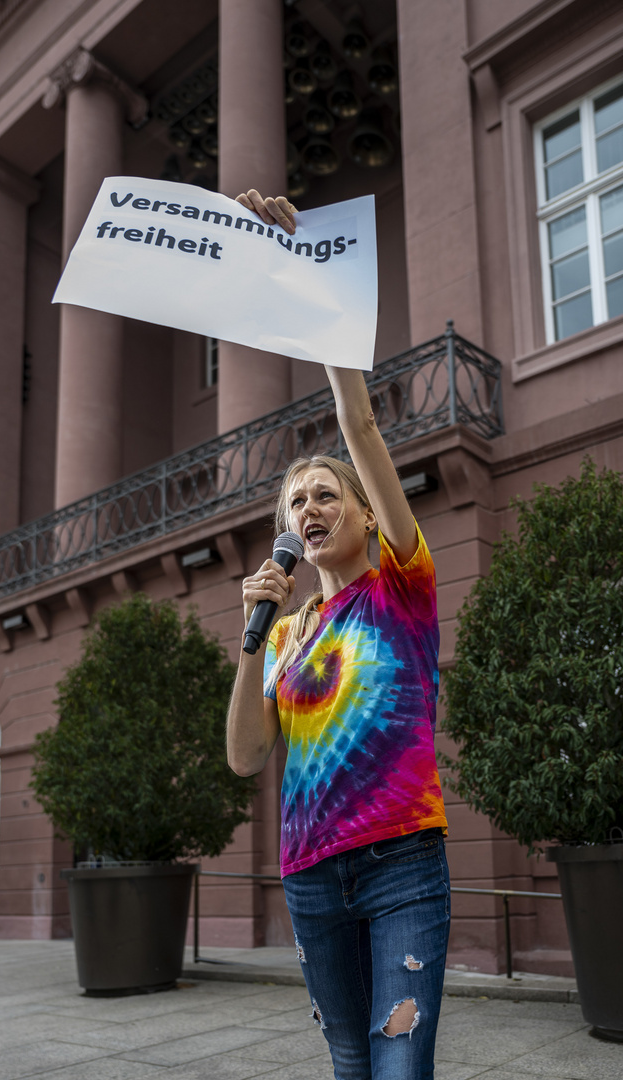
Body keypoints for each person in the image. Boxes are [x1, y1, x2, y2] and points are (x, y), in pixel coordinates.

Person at [226, 190, 450, 1080]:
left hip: (401, 863)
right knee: (351, 1062)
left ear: (362, 512)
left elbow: (358, 425)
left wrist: (313, 285)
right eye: (295, 502)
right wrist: (251, 636)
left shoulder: (403, 580)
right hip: (312, 874)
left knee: (398, 1069)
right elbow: (247, 757)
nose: (310, 508)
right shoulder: (283, 631)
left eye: (326, 494)